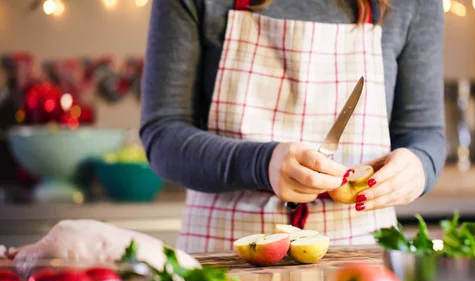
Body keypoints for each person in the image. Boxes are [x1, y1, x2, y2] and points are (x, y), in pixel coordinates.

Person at [140, 0, 446, 254]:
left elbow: (425, 133)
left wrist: (419, 167)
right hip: (224, 255)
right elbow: (163, 134)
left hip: (361, 255)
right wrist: (262, 163)